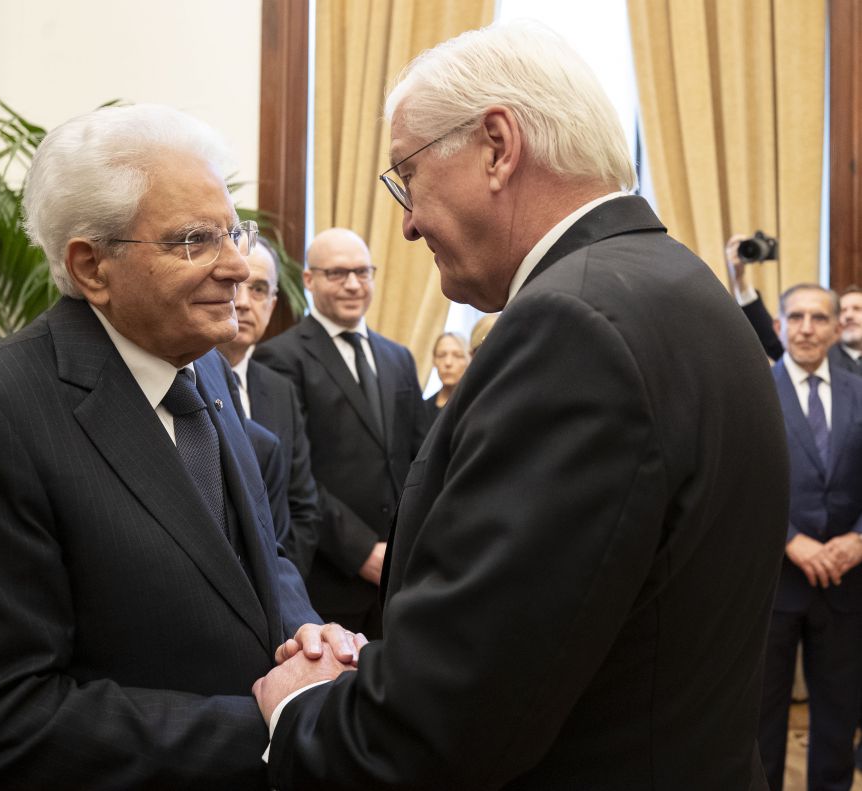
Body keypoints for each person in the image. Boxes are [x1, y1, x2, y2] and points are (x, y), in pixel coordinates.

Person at [252, 22, 790, 790]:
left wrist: (304, 707)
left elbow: (441, 732)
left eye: (407, 176)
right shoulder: (683, 286)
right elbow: (567, 624)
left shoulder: (572, 328)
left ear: (498, 147)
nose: (405, 221)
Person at [0, 104, 361, 791]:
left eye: (234, 232)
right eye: (196, 240)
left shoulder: (206, 376)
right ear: (92, 267)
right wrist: (271, 724)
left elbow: (259, 558)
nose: (239, 265)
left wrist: (310, 639)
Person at [253, 227, 430, 638]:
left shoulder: (398, 357)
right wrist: (362, 551)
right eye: (337, 274)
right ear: (310, 280)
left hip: (402, 575)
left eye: (362, 272)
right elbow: (297, 474)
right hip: (331, 578)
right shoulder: (280, 358)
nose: (353, 284)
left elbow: (421, 455)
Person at [757, 284, 862, 791]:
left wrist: (860, 539)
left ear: (836, 328)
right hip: (773, 586)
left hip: (846, 582)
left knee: (839, 721)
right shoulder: (752, 390)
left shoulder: (860, 389)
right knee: (762, 723)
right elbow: (736, 481)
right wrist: (788, 539)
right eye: (795, 317)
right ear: (778, 326)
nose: (805, 328)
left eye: (818, 318)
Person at [218, 238, 320, 577]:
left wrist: (280, 597)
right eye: (235, 284)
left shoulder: (280, 391)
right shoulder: (179, 380)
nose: (244, 303)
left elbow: (302, 508)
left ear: (273, 304)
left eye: (259, 289)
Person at [725, 234, 862, 375]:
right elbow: (770, 336)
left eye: (857, 309)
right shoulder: (817, 352)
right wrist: (739, 279)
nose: (849, 315)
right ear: (836, 329)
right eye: (843, 311)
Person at [423, 331, 471, 424]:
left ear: (469, 360)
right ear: (434, 361)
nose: (448, 363)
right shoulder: (423, 410)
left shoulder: (474, 406)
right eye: (441, 355)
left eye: (458, 355)